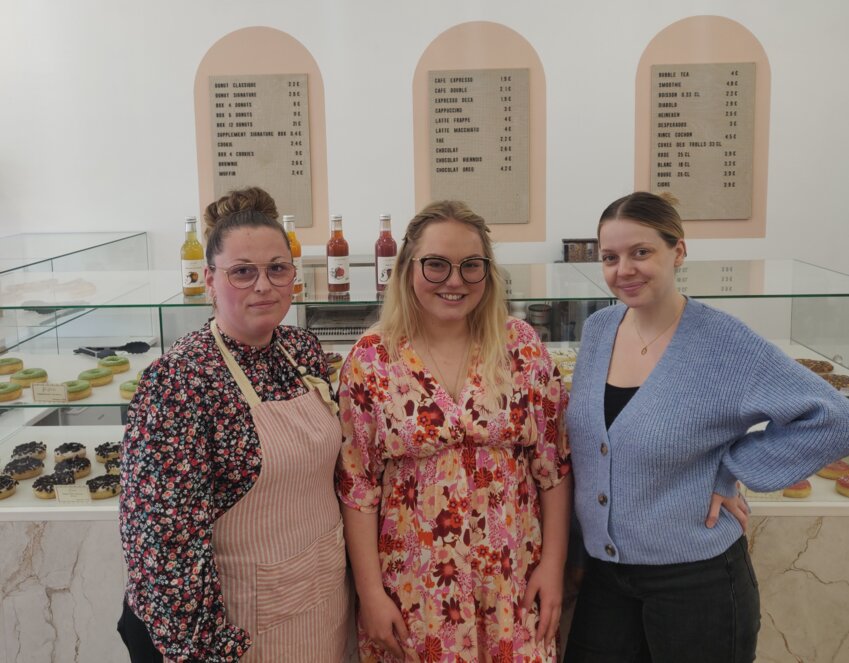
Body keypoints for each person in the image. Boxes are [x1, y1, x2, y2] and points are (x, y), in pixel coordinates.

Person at [563, 191, 849, 663]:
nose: (623, 270)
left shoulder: (726, 342)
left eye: (641, 252)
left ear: (678, 251)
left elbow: (833, 418)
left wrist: (732, 465)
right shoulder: (599, 329)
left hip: (696, 581)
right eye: (610, 257)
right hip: (605, 575)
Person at [118, 187, 349, 662]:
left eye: (277, 268)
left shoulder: (300, 350)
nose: (263, 285)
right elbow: (162, 546)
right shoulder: (180, 382)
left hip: (322, 602)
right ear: (209, 279)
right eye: (242, 272)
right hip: (240, 627)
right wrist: (207, 651)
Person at [335, 200, 571, 662]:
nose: (455, 280)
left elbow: (554, 468)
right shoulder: (370, 360)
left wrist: (552, 568)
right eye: (436, 265)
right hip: (414, 585)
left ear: (489, 272)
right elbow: (358, 485)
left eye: (471, 266)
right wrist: (371, 594)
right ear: (407, 267)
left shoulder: (521, 347)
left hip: (512, 580)